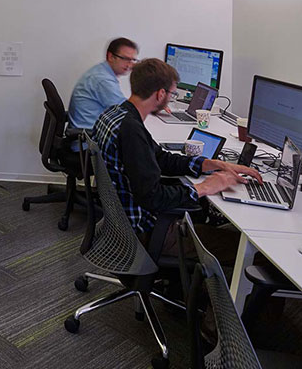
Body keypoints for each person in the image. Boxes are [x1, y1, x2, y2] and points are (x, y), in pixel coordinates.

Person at [91, 58, 262, 258]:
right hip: (146, 232)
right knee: (247, 249)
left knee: (210, 218)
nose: (171, 98)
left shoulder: (116, 115)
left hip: (121, 224)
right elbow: (153, 197)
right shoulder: (131, 131)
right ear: (160, 94)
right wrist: (204, 187)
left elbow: (160, 159)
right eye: (172, 93)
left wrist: (209, 164)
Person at [68, 37, 139, 133]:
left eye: (133, 60)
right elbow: (126, 114)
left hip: (87, 133)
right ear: (110, 56)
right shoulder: (103, 80)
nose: (130, 64)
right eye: (125, 59)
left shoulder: (101, 72)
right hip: (88, 140)